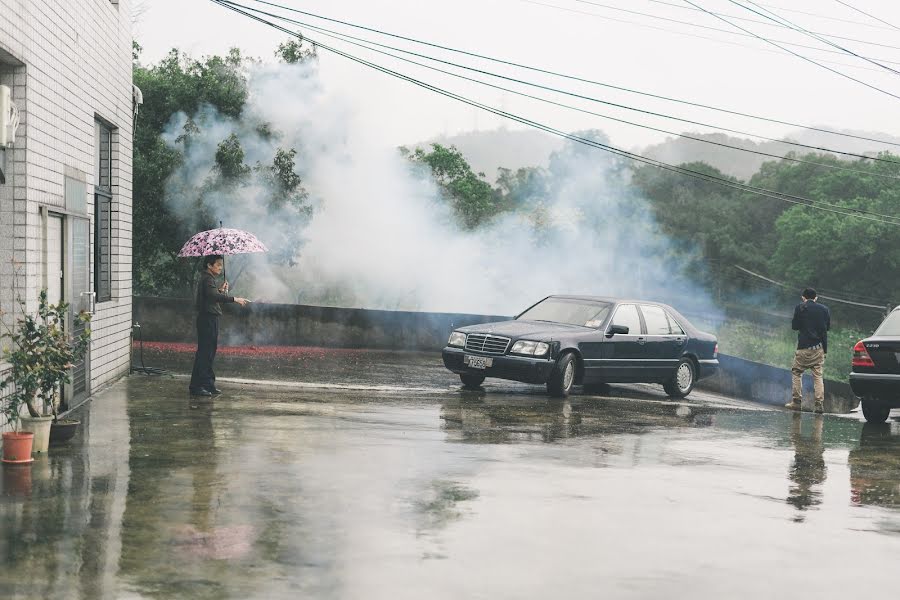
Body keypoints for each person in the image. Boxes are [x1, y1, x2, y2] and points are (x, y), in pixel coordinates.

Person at [189, 255, 249, 397]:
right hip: (207, 319)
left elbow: (212, 296)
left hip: (210, 318)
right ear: (209, 266)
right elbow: (213, 297)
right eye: (218, 265)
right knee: (205, 353)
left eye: (221, 265)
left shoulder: (209, 279)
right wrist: (235, 299)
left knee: (209, 352)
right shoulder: (207, 278)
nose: (221, 268)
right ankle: (197, 386)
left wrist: (221, 290)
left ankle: (208, 384)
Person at [785, 287, 830, 413]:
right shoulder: (824, 309)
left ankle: (796, 402)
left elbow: (794, 327)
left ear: (803, 297)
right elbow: (825, 331)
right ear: (816, 298)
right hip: (819, 348)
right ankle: (819, 404)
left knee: (797, 372)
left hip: (804, 347)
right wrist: (825, 350)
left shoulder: (800, 307)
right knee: (818, 376)